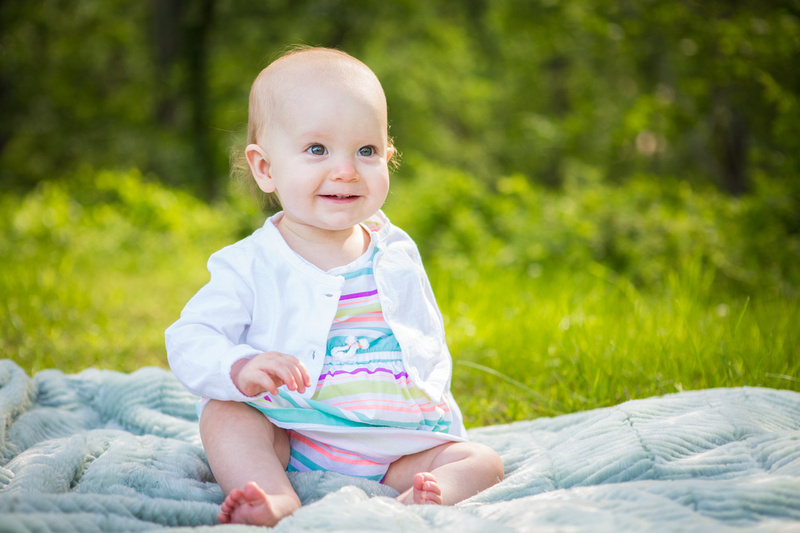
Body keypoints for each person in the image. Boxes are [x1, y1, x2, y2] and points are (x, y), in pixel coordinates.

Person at [165, 46, 504, 527]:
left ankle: (427, 495)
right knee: (225, 414)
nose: (346, 170)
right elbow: (189, 337)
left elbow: (423, 338)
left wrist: (433, 415)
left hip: (396, 447)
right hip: (292, 430)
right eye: (317, 149)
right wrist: (239, 367)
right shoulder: (250, 263)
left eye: (366, 151)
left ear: (388, 157)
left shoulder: (395, 251)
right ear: (265, 168)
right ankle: (273, 494)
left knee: (483, 460)